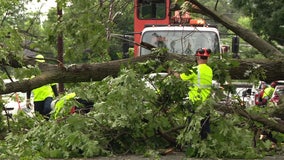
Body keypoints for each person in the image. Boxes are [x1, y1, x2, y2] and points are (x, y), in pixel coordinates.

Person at [168, 48, 213, 139]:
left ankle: (192, 143)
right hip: (206, 102)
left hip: (195, 102)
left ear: (197, 57)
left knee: (192, 125)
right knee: (205, 125)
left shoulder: (195, 70)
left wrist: (172, 72)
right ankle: (206, 144)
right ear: (207, 58)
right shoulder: (209, 70)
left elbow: (181, 77)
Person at [26, 54, 59, 119]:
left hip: (48, 96)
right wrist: (28, 99)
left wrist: (57, 96)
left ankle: (47, 120)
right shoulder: (32, 75)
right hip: (37, 98)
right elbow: (28, 87)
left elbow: (53, 85)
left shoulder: (47, 73)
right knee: (39, 117)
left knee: (47, 109)